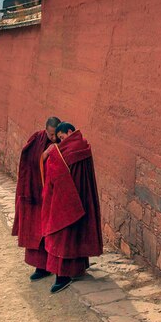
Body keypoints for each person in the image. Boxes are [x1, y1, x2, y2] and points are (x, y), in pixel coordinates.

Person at [39, 122, 103, 293]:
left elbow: (55, 167)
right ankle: (78, 268)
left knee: (63, 235)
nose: (61, 142)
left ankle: (63, 275)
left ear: (69, 132)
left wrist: (49, 154)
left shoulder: (69, 150)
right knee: (77, 233)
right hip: (83, 196)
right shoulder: (84, 146)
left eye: (62, 137)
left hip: (67, 198)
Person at [12, 117, 61, 281]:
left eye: (56, 135)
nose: (53, 138)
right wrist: (45, 154)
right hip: (36, 194)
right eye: (51, 134)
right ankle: (41, 266)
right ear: (45, 130)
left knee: (56, 232)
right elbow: (28, 160)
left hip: (54, 195)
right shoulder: (37, 139)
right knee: (37, 230)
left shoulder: (63, 140)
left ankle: (59, 266)